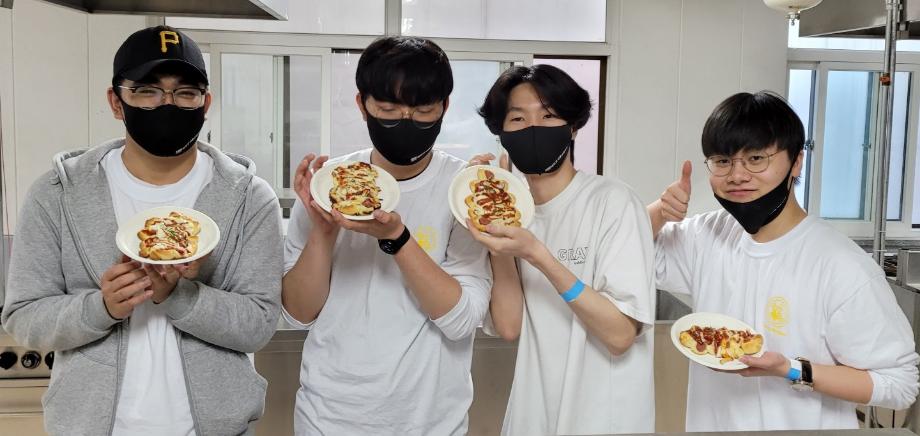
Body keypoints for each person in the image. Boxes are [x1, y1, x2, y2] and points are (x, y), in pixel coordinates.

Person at [1, 25, 282, 436]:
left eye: (185, 92)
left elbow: (259, 323)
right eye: (147, 91)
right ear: (116, 102)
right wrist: (102, 307)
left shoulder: (250, 198)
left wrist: (179, 295)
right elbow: (24, 318)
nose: (167, 104)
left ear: (206, 103)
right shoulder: (56, 194)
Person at [648, 91, 919, 431]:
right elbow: (623, 252)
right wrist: (660, 211)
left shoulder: (841, 264)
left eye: (756, 158)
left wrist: (789, 369)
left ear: (796, 162)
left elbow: (900, 384)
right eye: (722, 161)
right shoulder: (707, 235)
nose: (737, 175)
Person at [281, 36, 492, 435]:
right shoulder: (332, 185)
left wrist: (398, 237)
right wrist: (323, 231)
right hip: (327, 419)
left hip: (430, 423)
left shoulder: (460, 189)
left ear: (444, 107)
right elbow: (297, 314)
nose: (406, 121)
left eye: (423, 110)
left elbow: (461, 320)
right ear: (362, 105)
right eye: (389, 109)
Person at [469, 64, 656, 435]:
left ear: (572, 127)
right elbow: (509, 326)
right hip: (532, 417)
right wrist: (493, 223)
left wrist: (538, 255)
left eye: (548, 116)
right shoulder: (515, 212)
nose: (533, 128)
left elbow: (621, 335)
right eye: (518, 118)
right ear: (501, 133)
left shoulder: (612, 202)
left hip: (602, 422)